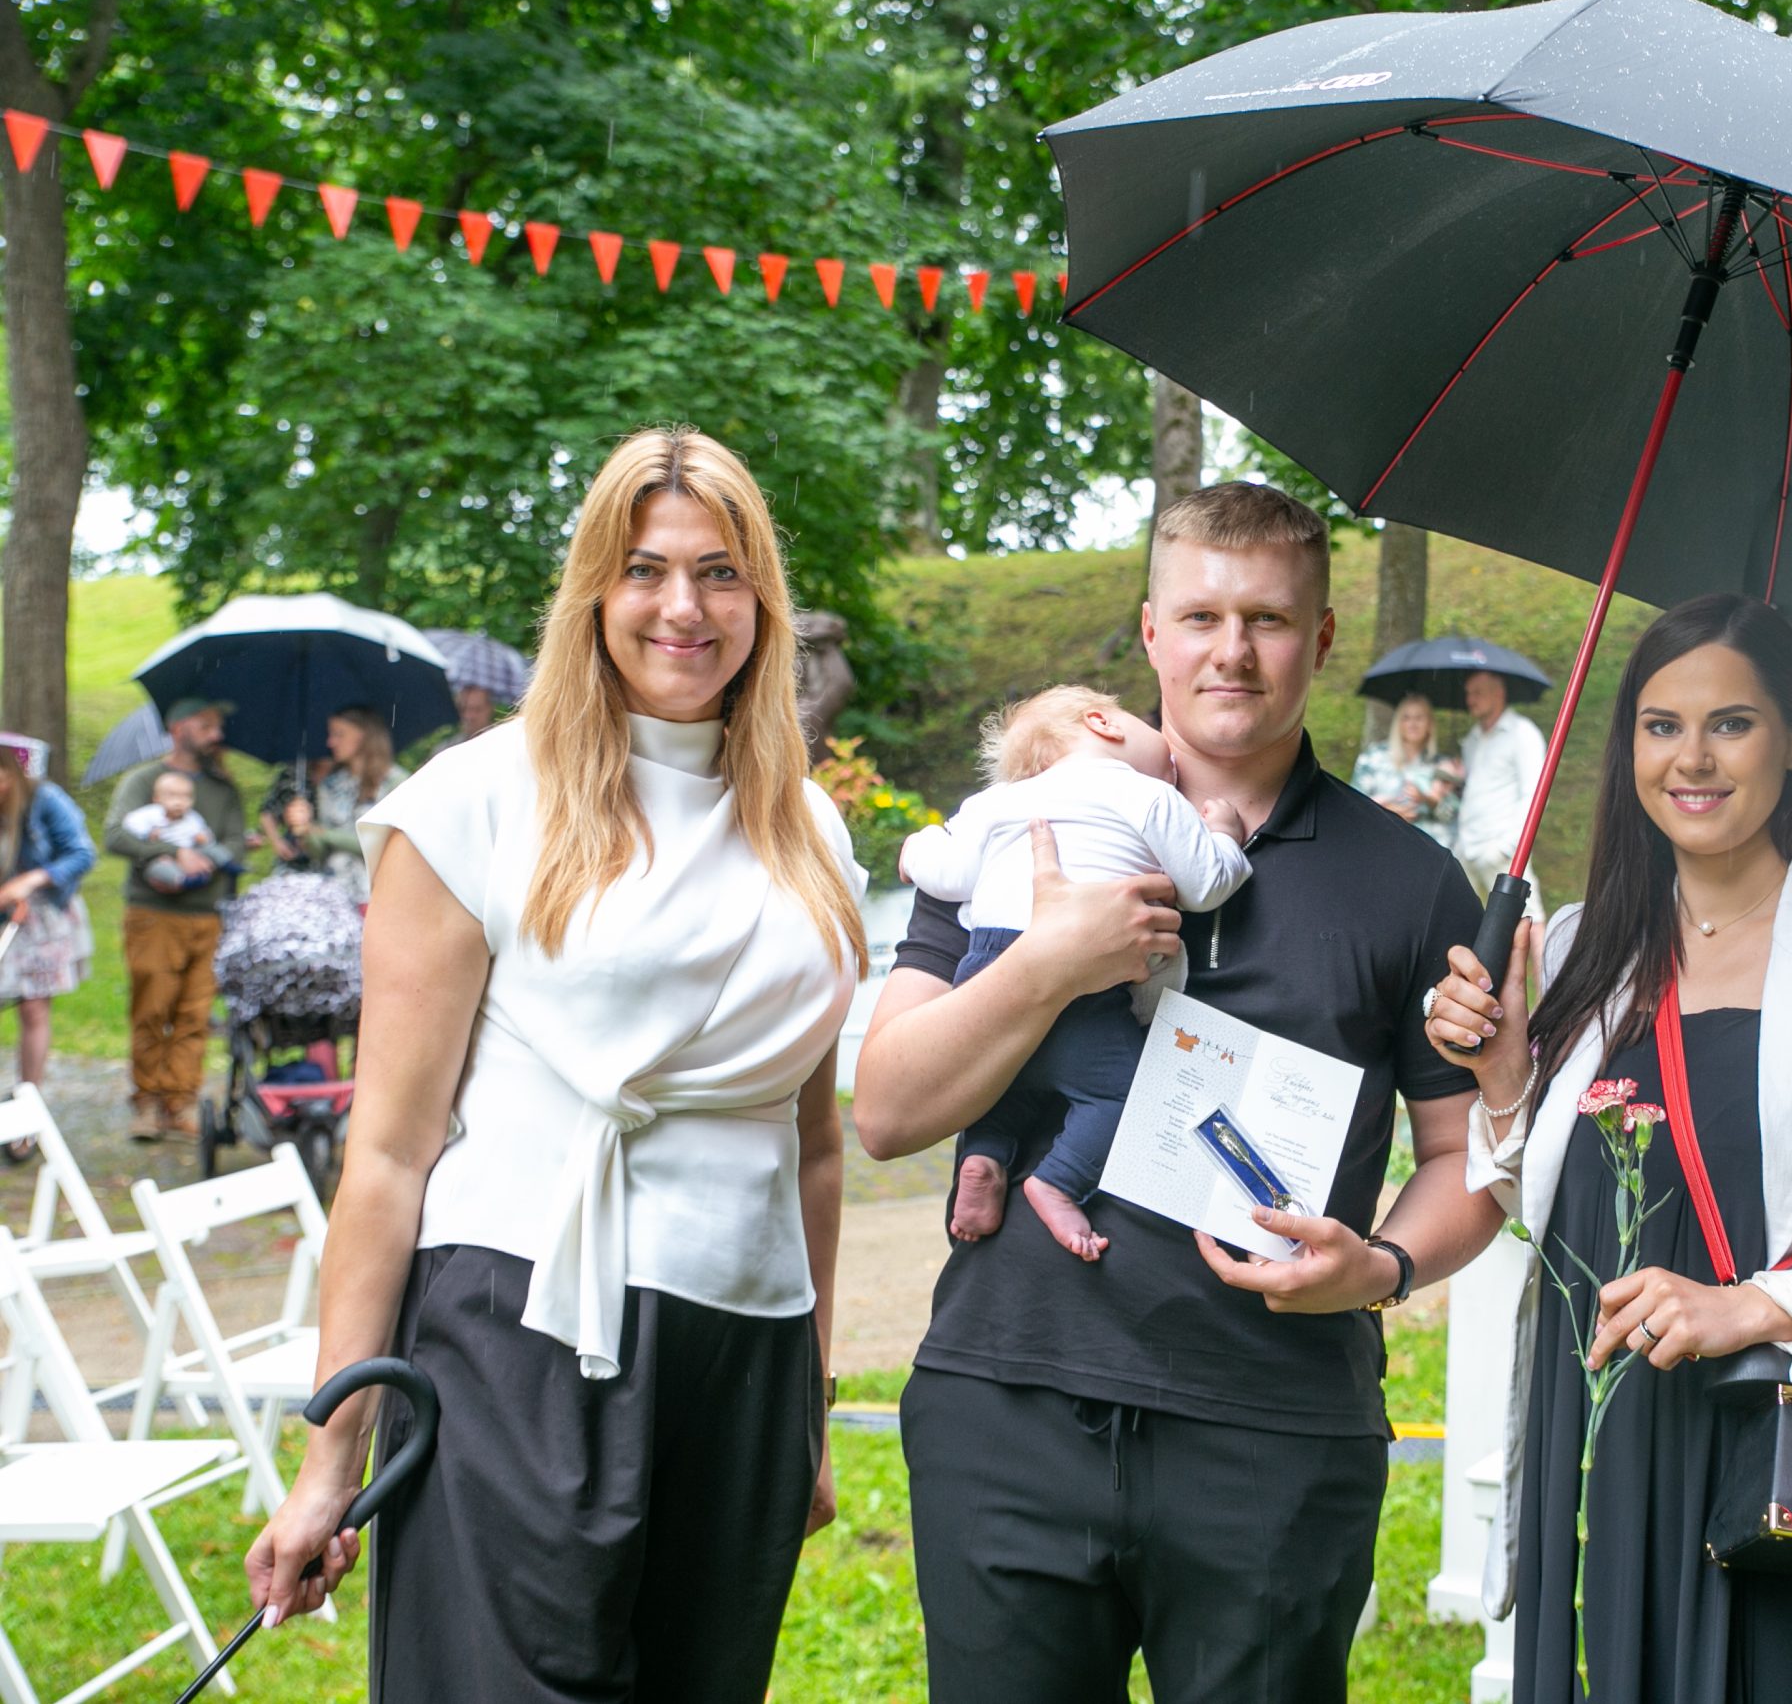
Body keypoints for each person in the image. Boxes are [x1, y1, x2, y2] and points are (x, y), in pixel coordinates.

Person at [242, 426, 867, 1703]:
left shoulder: (808, 829)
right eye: (646, 569)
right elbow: (389, 1151)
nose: (684, 607)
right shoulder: (474, 802)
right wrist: (329, 1457)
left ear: (763, 601)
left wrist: (806, 1405)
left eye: (721, 573)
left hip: (744, 1351)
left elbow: (809, 1145)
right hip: (517, 1331)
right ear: (593, 590)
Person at [852, 481, 1503, 1704]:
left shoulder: (1409, 884)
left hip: (1276, 1432)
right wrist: (1048, 963)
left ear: (1320, 637)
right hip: (1008, 1401)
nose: (1231, 651)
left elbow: (1464, 1155)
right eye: (1200, 616)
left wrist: (1382, 1270)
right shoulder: (1020, 826)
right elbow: (886, 1111)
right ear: (1151, 632)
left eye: (1268, 619)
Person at [1426, 594, 1792, 1703]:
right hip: (1604, 1442)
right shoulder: (1583, 946)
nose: (1690, 759)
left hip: (1781, 1450)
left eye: (1731, 724)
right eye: (1661, 725)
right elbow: (1564, 1220)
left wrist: (1752, 1306)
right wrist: (1505, 1079)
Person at [902, 684, 1252, 1259]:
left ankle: (984, 1154)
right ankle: (1059, 1181)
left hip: (989, 965)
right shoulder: (1147, 794)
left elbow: (949, 874)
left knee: (1004, 1080)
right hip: (1089, 982)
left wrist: (916, 849)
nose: (1172, 763)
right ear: (1103, 723)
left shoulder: (998, 801)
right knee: (1126, 1092)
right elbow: (1204, 886)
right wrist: (1224, 836)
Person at [104, 697, 246, 1141]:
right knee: (152, 1008)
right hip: (154, 914)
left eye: (217, 727)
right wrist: (171, 852)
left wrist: (203, 860)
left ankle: (181, 1101)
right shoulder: (143, 781)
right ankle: (146, 1101)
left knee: (194, 1014)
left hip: (208, 916)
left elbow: (234, 843)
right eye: (206, 726)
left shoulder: (223, 790)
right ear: (179, 728)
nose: (216, 735)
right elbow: (116, 834)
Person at [0, 738, 96, 1160]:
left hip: (42, 916)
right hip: (4, 913)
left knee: (34, 1008)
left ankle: (27, 1113)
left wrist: (32, 880)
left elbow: (82, 854)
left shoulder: (45, 799)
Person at [1455, 666, 1550, 967]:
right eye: (1468, 693)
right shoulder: (1473, 739)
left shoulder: (1522, 733)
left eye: (1478, 693)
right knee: (1463, 920)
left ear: (1499, 693)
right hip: (1468, 847)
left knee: (1531, 922)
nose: (1470, 699)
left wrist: (1511, 845)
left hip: (1502, 847)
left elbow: (1535, 793)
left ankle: (1550, 991)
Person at [284, 706, 408, 903]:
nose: (330, 742)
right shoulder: (329, 785)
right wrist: (305, 829)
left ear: (364, 736)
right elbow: (320, 853)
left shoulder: (396, 782)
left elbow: (385, 846)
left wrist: (324, 834)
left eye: (339, 734)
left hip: (382, 897)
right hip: (335, 897)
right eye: (330, 734)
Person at [1352, 691, 1464, 847]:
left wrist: (1428, 800)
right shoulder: (1374, 757)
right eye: (1406, 718)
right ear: (1398, 723)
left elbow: (1453, 817)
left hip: (1429, 847)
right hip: (1384, 844)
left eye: (1419, 718)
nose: (1412, 724)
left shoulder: (1442, 765)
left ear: (1429, 724)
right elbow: (1354, 805)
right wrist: (1387, 812)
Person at [119, 770, 247, 893]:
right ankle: (183, 881)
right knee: (157, 868)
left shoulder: (192, 817)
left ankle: (227, 863)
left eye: (186, 797)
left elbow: (205, 833)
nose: (179, 802)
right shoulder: (151, 814)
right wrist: (147, 833)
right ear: (157, 798)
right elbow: (130, 822)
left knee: (212, 848)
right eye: (172, 796)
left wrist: (203, 838)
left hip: (192, 851)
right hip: (162, 855)